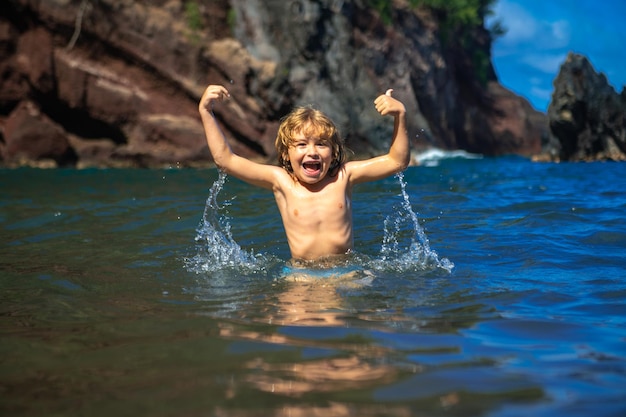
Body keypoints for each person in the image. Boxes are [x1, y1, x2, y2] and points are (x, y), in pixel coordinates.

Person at [199, 84, 409, 266]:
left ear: (334, 151)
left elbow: (396, 161)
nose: (312, 152)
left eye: (321, 144)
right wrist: (206, 111)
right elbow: (226, 160)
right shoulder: (281, 181)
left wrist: (400, 115)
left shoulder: (344, 176)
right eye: (301, 144)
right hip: (302, 273)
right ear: (285, 154)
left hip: (346, 271)